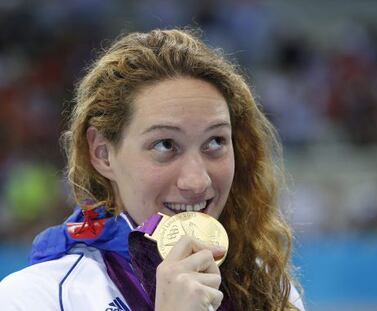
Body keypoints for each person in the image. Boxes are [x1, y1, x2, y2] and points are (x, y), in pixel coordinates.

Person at [0, 29, 305, 311]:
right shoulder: (37, 297)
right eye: (165, 145)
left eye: (215, 141)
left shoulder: (268, 288)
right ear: (103, 153)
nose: (197, 181)